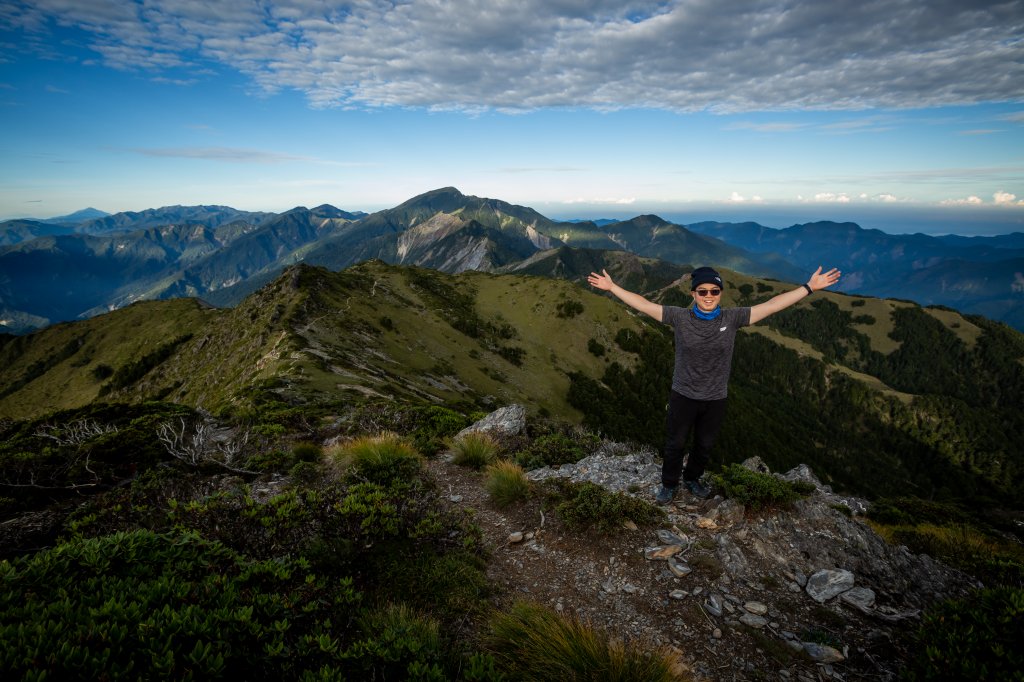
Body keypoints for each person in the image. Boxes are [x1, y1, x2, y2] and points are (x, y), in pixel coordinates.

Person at [587, 264, 841, 503]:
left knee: (704, 445)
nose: (709, 296)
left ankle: (693, 478)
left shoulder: (733, 318)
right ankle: (669, 484)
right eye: (703, 291)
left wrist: (808, 287)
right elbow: (643, 304)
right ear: (693, 293)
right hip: (683, 394)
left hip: (715, 397)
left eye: (714, 291)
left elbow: (772, 305)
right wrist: (612, 288)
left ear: (720, 293)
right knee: (675, 443)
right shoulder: (679, 317)